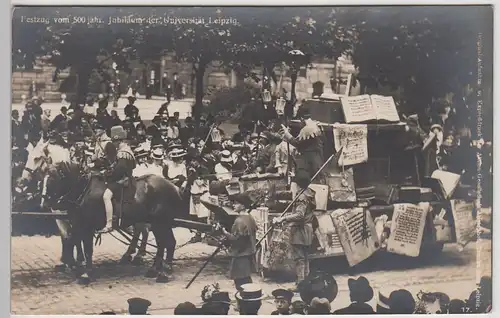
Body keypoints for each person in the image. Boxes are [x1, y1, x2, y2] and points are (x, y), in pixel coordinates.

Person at [272, 168, 315, 289]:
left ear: (297, 183)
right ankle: (306, 282)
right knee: (305, 258)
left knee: (300, 258)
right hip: (307, 229)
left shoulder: (302, 197)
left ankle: (301, 284)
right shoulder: (309, 192)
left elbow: (300, 215)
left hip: (300, 230)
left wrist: (283, 218)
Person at [100, 125, 136, 233]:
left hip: (122, 181)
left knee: (106, 196)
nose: (114, 144)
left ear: (119, 140)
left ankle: (109, 223)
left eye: (115, 142)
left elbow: (120, 169)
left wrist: (108, 175)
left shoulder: (122, 152)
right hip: (126, 178)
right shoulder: (126, 150)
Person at [220, 193, 258, 290]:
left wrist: (225, 233)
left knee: (240, 282)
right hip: (249, 252)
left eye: (236, 203)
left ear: (243, 205)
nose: (233, 205)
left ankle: (244, 301)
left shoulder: (239, 220)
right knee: (247, 279)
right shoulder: (250, 217)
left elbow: (236, 239)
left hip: (240, 254)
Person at [280, 107, 325, 184]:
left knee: (313, 180)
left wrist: (287, 134)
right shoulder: (316, 125)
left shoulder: (308, 129)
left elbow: (297, 143)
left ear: (301, 118)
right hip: (317, 157)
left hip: (311, 159)